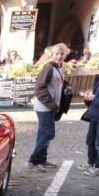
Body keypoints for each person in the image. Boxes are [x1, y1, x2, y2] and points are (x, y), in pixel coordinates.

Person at [28, 43, 70, 172]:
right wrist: (52, 104)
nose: (59, 56)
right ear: (52, 55)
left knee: (43, 134)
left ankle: (41, 159)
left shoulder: (59, 68)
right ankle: (34, 162)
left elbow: (57, 85)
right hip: (44, 107)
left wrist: (66, 89)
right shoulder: (49, 67)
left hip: (50, 107)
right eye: (57, 54)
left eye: (62, 54)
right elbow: (39, 88)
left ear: (65, 55)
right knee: (47, 133)